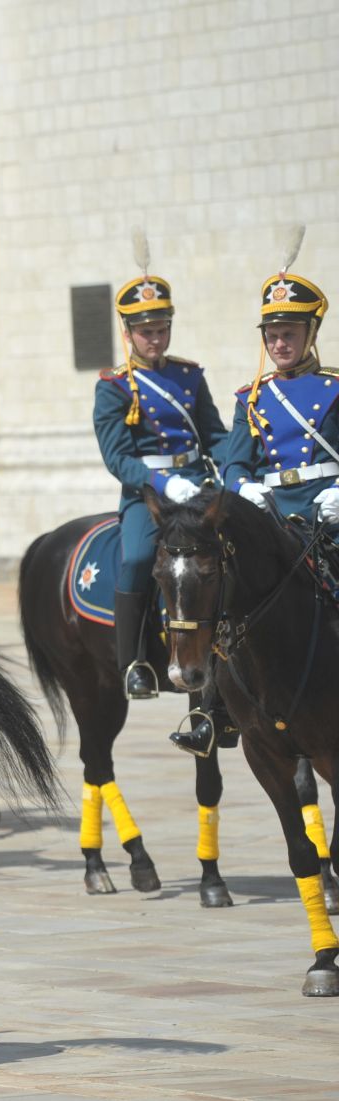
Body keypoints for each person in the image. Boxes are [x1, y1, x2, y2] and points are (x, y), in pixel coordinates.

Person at [209, 232, 336, 754]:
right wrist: (245, 488)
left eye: (289, 332)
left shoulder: (334, 389)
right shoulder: (252, 397)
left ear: (310, 333)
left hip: (328, 513)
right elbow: (235, 458)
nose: (279, 344)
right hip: (275, 518)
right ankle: (212, 712)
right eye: (272, 335)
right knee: (216, 596)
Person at [93, 236, 227, 706]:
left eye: (162, 328)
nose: (155, 338)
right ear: (128, 333)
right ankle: (133, 660)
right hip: (148, 496)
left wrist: (234, 472)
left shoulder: (189, 377)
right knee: (135, 559)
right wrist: (162, 482)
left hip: (196, 487)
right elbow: (117, 457)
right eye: (145, 330)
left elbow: (215, 434)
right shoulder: (113, 387)